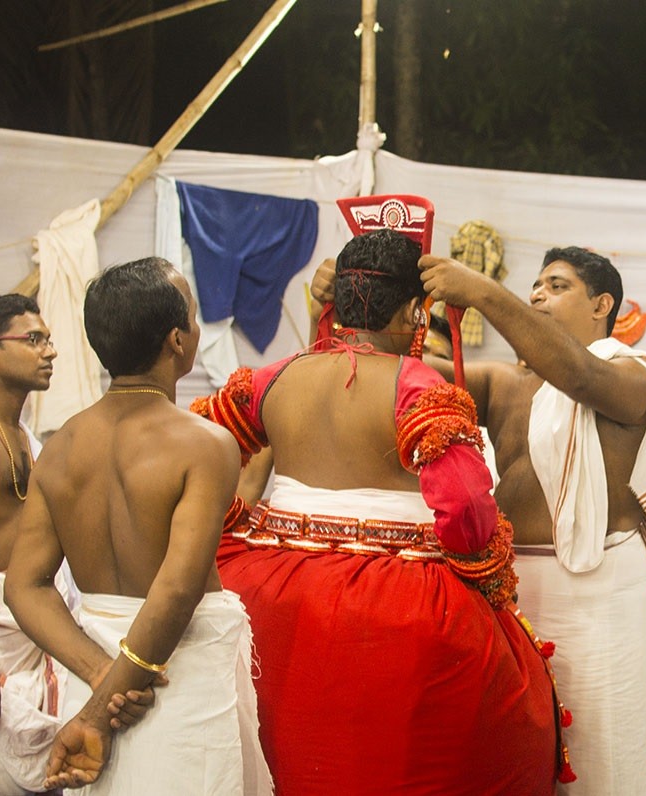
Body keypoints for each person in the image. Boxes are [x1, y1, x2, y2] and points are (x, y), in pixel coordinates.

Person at [202, 229, 561, 794]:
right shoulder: (418, 384)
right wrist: (485, 575)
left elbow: (205, 453)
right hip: (394, 606)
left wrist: (242, 531)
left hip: (267, 594)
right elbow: (467, 507)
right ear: (417, 311)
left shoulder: (274, 377)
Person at [418, 245, 646, 795]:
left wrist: (481, 291)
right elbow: (404, 377)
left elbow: (577, 373)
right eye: (536, 286)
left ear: (602, 304)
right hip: (506, 587)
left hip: (596, 590)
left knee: (600, 757)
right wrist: (348, 306)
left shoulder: (634, 375)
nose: (538, 295)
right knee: (512, 748)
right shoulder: (503, 381)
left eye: (557, 285)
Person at [3, 258, 270, 793]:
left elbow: (23, 586)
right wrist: (104, 708)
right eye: (193, 319)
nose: (196, 329)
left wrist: (102, 678)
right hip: (167, 680)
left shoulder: (59, 448)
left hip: (99, 672)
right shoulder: (205, 442)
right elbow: (176, 591)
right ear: (177, 341)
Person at [0, 294, 70, 795]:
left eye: (48, 338)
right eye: (33, 339)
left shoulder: (24, 435)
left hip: (24, 618)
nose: (49, 350)